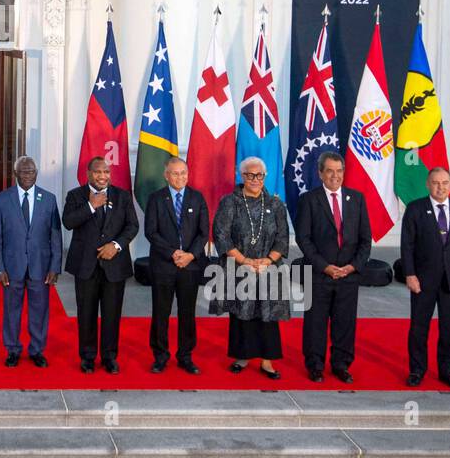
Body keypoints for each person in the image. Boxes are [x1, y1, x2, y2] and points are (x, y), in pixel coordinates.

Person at [211, 156, 290, 380]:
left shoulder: (276, 204)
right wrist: (245, 261)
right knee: (242, 314)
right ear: (242, 176)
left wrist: (266, 261)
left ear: (265, 177)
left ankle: (267, 361)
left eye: (259, 175)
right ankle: (242, 356)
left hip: (269, 267)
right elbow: (221, 235)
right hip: (239, 267)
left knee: (268, 314)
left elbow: (283, 238)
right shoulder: (229, 202)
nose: (254, 179)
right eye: (249, 175)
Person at [295, 150, 371, 383]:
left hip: (348, 275)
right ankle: (315, 365)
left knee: (345, 322)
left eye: (339, 171)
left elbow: (365, 239)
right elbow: (303, 239)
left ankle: (341, 364)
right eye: (330, 171)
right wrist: (324, 266)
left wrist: (352, 267)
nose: (335, 176)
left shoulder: (357, 199)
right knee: (315, 322)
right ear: (320, 173)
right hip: (319, 274)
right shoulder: (309, 200)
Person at [401, 167, 450, 390]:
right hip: (422, 281)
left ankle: (449, 372)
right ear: (428, 185)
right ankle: (417, 370)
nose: (440, 187)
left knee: (449, 328)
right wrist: (410, 274)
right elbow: (407, 245)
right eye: (436, 183)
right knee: (418, 328)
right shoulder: (416, 209)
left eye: (445, 183)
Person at [62, 156, 138, 374]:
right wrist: (90, 206)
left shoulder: (122, 196)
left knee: (112, 313)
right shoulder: (75, 196)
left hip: (115, 265)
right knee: (86, 313)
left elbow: (132, 226)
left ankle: (109, 357)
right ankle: (87, 357)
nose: (103, 176)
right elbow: (68, 222)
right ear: (88, 174)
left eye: (106, 172)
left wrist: (116, 245)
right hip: (85, 265)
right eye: (98, 172)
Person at [0, 156, 62, 368]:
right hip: (12, 267)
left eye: (31, 172)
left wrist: (55, 267)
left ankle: (37, 350)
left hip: (41, 267)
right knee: (12, 310)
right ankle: (12, 349)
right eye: (23, 172)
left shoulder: (48, 199)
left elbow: (55, 236)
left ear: (36, 173)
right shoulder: (2, 199)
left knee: (39, 310)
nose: (27, 175)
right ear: (15, 174)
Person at [143, 155, 209, 375]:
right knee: (161, 313)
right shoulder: (155, 199)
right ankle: (160, 356)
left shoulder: (198, 198)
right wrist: (173, 253)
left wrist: (190, 255)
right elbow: (151, 232)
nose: (180, 177)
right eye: (175, 173)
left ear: (188, 175)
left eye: (183, 173)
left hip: (189, 266)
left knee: (187, 313)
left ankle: (185, 356)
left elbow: (203, 233)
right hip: (164, 264)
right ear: (166, 175)